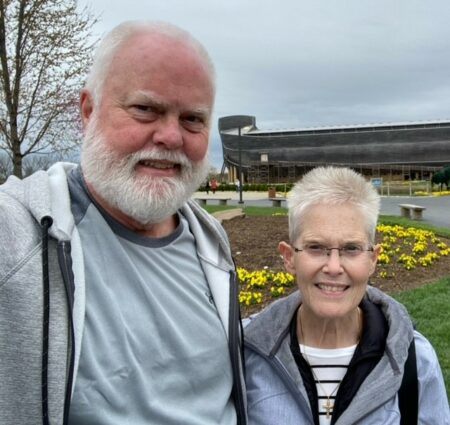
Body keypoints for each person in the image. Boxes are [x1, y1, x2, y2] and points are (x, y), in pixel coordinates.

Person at [0, 21, 247, 425]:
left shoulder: (211, 244)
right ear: (88, 111)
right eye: (145, 109)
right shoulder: (17, 234)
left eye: (192, 120)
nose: (170, 136)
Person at [244, 166, 449, 424]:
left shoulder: (415, 361)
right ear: (289, 257)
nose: (333, 267)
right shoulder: (247, 354)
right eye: (315, 247)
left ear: (373, 259)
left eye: (351, 248)